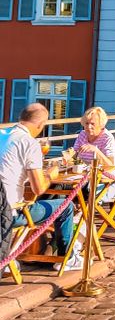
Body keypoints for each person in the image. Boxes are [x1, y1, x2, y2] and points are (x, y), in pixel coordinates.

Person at [0, 104, 80, 270]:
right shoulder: (29, 143)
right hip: (9, 213)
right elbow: (38, 189)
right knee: (66, 206)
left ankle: (9, 256)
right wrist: (51, 174)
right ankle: (67, 258)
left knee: (51, 198)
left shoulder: (2, 135)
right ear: (41, 125)